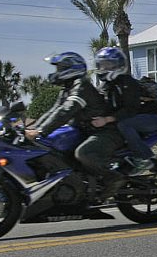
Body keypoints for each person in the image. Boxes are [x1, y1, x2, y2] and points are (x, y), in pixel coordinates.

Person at [25, 52, 127, 199]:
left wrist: (41, 131)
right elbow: (54, 111)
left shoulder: (81, 87)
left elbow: (65, 111)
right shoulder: (67, 89)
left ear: (71, 69)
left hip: (105, 132)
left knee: (83, 153)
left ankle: (113, 177)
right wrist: (34, 129)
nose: (56, 73)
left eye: (60, 69)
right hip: (87, 131)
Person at [92, 47, 157, 173]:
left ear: (117, 65)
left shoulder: (128, 83)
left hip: (152, 117)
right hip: (134, 119)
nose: (102, 68)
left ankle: (144, 158)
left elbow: (131, 110)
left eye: (106, 65)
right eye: (101, 65)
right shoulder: (108, 86)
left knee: (123, 124)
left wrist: (106, 119)